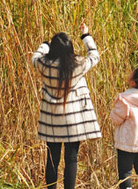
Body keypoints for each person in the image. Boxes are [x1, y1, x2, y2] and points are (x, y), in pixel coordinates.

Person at [31, 23, 101, 189]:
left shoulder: (44, 64)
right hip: (73, 120)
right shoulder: (77, 64)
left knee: (52, 158)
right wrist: (86, 35)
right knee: (71, 158)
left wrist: (44, 45)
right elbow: (94, 55)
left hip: (51, 120)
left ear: (53, 49)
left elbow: (34, 57)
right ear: (70, 48)